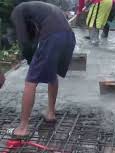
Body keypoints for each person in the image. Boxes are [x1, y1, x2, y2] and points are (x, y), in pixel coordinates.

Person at [6, 1, 76, 139]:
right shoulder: (37, 8)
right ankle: (50, 113)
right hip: (69, 36)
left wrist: (29, 59)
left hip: (53, 36)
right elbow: (36, 36)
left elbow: (24, 41)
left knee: (30, 81)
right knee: (52, 72)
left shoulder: (18, 11)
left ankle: (22, 128)